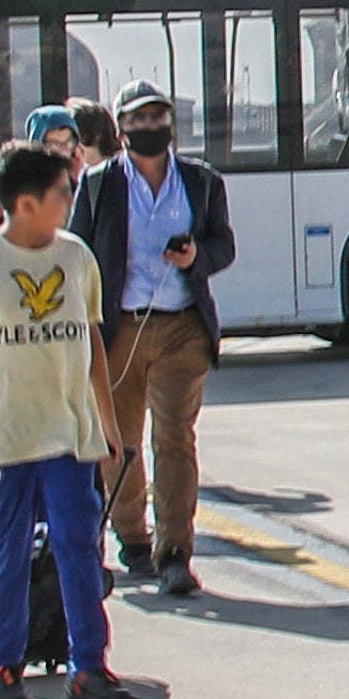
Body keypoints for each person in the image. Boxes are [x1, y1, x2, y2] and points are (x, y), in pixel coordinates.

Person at [0, 141, 134, 699]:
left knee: (79, 547)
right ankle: (4, 667)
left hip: (68, 432)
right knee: (9, 551)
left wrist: (107, 422)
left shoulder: (76, 258)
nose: (70, 201)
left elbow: (90, 340)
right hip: (6, 434)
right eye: (62, 193)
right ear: (24, 203)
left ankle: (88, 666)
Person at [74, 85, 234, 599]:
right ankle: (133, 538)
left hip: (180, 326)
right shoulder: (99, 184)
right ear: (121, 128)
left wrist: (195, 258)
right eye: (139, 118)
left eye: (158, 115)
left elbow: (223, 244)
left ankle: (175, 553)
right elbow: (77, 249)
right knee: (118, 442)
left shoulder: (200, 181)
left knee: (174, 439)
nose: (150, 125)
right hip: (119, 327)